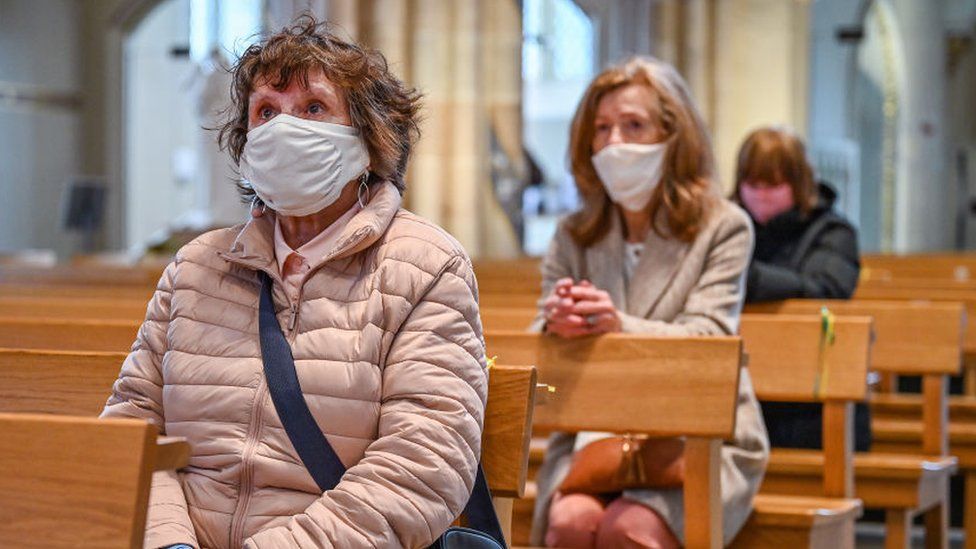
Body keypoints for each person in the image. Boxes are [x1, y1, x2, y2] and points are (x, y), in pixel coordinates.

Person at [101, 17, 489, 549]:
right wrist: (169, 544)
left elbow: (423, 465)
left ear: (369, 141)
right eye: (266, 112)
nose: (285, 128)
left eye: (313, 108)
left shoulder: (426, 266)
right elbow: (132, 430)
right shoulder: (196, 267)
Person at [531, 56, 769, 548]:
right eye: (602, 128)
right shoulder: (574, 234)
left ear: (672, 135)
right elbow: (541, 351)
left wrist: (618, 325)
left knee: (630, 528)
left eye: (633, 125)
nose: (614, 142)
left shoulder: (722, 226)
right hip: (594, 436)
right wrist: (557, 326)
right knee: (571, 523)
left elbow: (710, 337)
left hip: (700, 443)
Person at [732, 126, 867, 451]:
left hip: (811, 408)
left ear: (798, 183)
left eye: (774, 185)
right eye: (753, 185)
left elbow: (826, 288)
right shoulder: (729, 228)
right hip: (740, 396)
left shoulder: (833, 230)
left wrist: (747, 278)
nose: (761, 196)